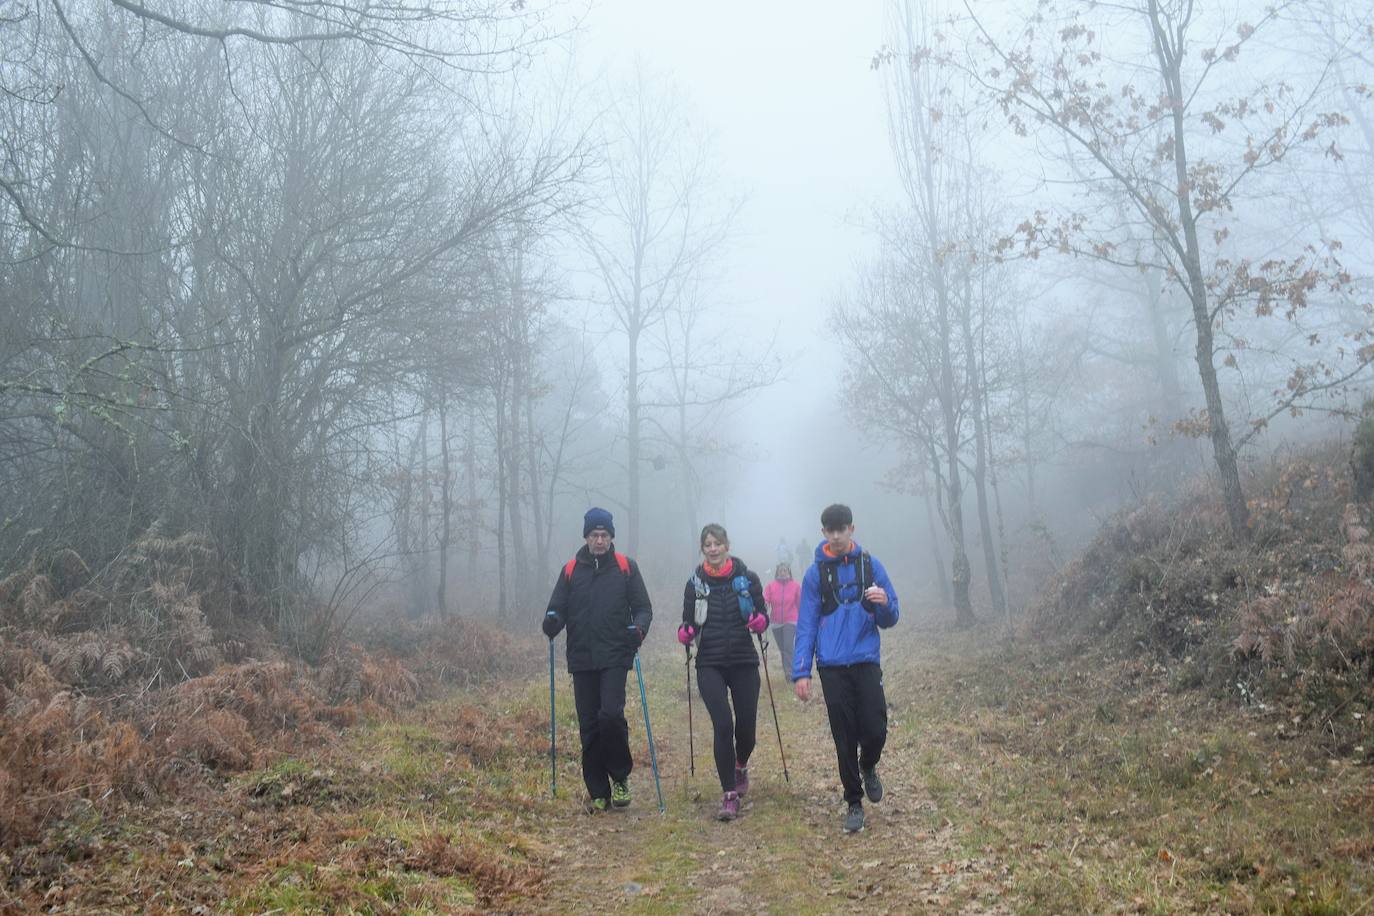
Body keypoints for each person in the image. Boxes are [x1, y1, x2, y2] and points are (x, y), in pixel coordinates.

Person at [792, 504, 899, 834]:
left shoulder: (871, 565)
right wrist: (802, 672)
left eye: (842, 529)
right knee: (844, 736)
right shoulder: (815, 574)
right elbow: (807, 624)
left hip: (866, 659)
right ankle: (853, 801)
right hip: (832, 665)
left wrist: (883, 603)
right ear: (823, 532)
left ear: (852, 529)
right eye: (830, 530)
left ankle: (869, 765)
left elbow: (891, 617)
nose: (836, 535)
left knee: (875, 728)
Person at [542, 507, 653, 813]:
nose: (600, 540)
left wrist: (639, 629)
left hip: (616, 654)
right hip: (581, 657)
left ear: (611, 537)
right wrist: (551, 620)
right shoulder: (570, 571)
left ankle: (619, 777)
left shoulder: (625, 567)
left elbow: (643, 607)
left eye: (604, 535)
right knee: (589, 725)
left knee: (611, 716)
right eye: (594, 535)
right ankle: (597, 790)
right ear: (586, 537)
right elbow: (556, 608)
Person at [677, 523, 768, 821]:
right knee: (723, 725)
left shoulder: (748, 578)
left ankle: (740, 764)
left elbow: (763, 616)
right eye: (708, 544)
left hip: (743, 660)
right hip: (710, 663)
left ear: (727, 545)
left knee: (747, 732)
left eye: (717, 543)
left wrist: (760, 623)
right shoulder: (695, 584)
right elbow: (687, 621)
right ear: (702, 548)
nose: (713, 549)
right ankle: (729, 794)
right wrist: (686, 631)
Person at [763, 563, 800, 683]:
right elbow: (766, 599)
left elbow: (800, 604)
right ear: (777, 572)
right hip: (776, 622)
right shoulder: (771, 586)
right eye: (780, 570)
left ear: (789, 572)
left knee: (788, 646)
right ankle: (788, 672)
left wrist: (804, 620)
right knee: (783, 649)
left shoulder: (795, 586)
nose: (783, 572)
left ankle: (791, 674)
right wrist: (765, 605)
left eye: (785, 570)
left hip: (791, 620)